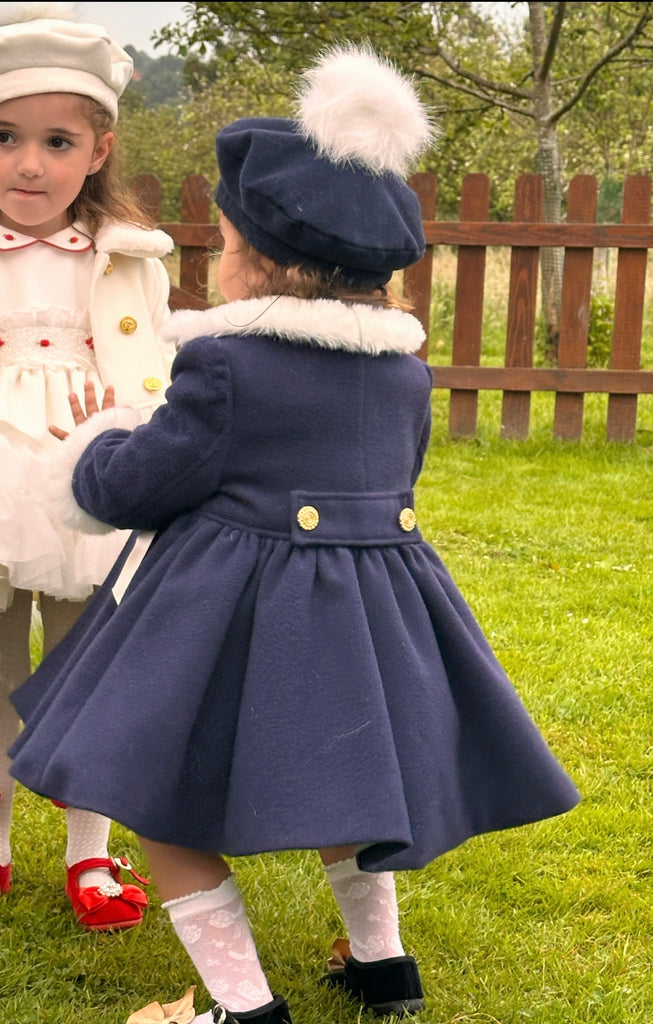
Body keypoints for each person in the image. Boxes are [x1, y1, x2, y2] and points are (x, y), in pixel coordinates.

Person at [9, 43, 580, 1024]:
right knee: (349, 789)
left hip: (231, 617)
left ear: (258, 259)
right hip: (368, 620)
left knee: (160, 800)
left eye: (229, 238)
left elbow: (143, 483)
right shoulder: (403, 373)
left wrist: (94, 448)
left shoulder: (227, 366)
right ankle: (382, 967)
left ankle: (245, 1007)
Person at [0, 2, 175, 931]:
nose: (28, 164)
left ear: (99, 151)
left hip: (89, 478)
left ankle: (90, 856)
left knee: (89, 673)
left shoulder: (128, 261)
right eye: (5, 137)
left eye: (56, 141)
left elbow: (154, 369)